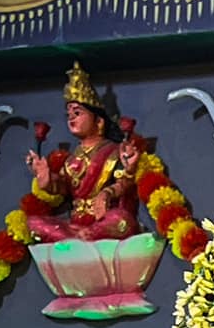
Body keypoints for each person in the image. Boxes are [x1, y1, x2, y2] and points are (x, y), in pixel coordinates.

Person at [24, 63, 141, 242]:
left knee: (122, 221)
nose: (71, 118)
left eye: (77, 113)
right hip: (76, 224)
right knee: (33, 224)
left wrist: (108, 192)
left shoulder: (113, 151)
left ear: (99, 122)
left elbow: (124, 183)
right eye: (69, 115)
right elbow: (64, 189)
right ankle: (80, 237)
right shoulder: (71, 159)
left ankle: (83, 238)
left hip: (103, 221)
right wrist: (46, 180)